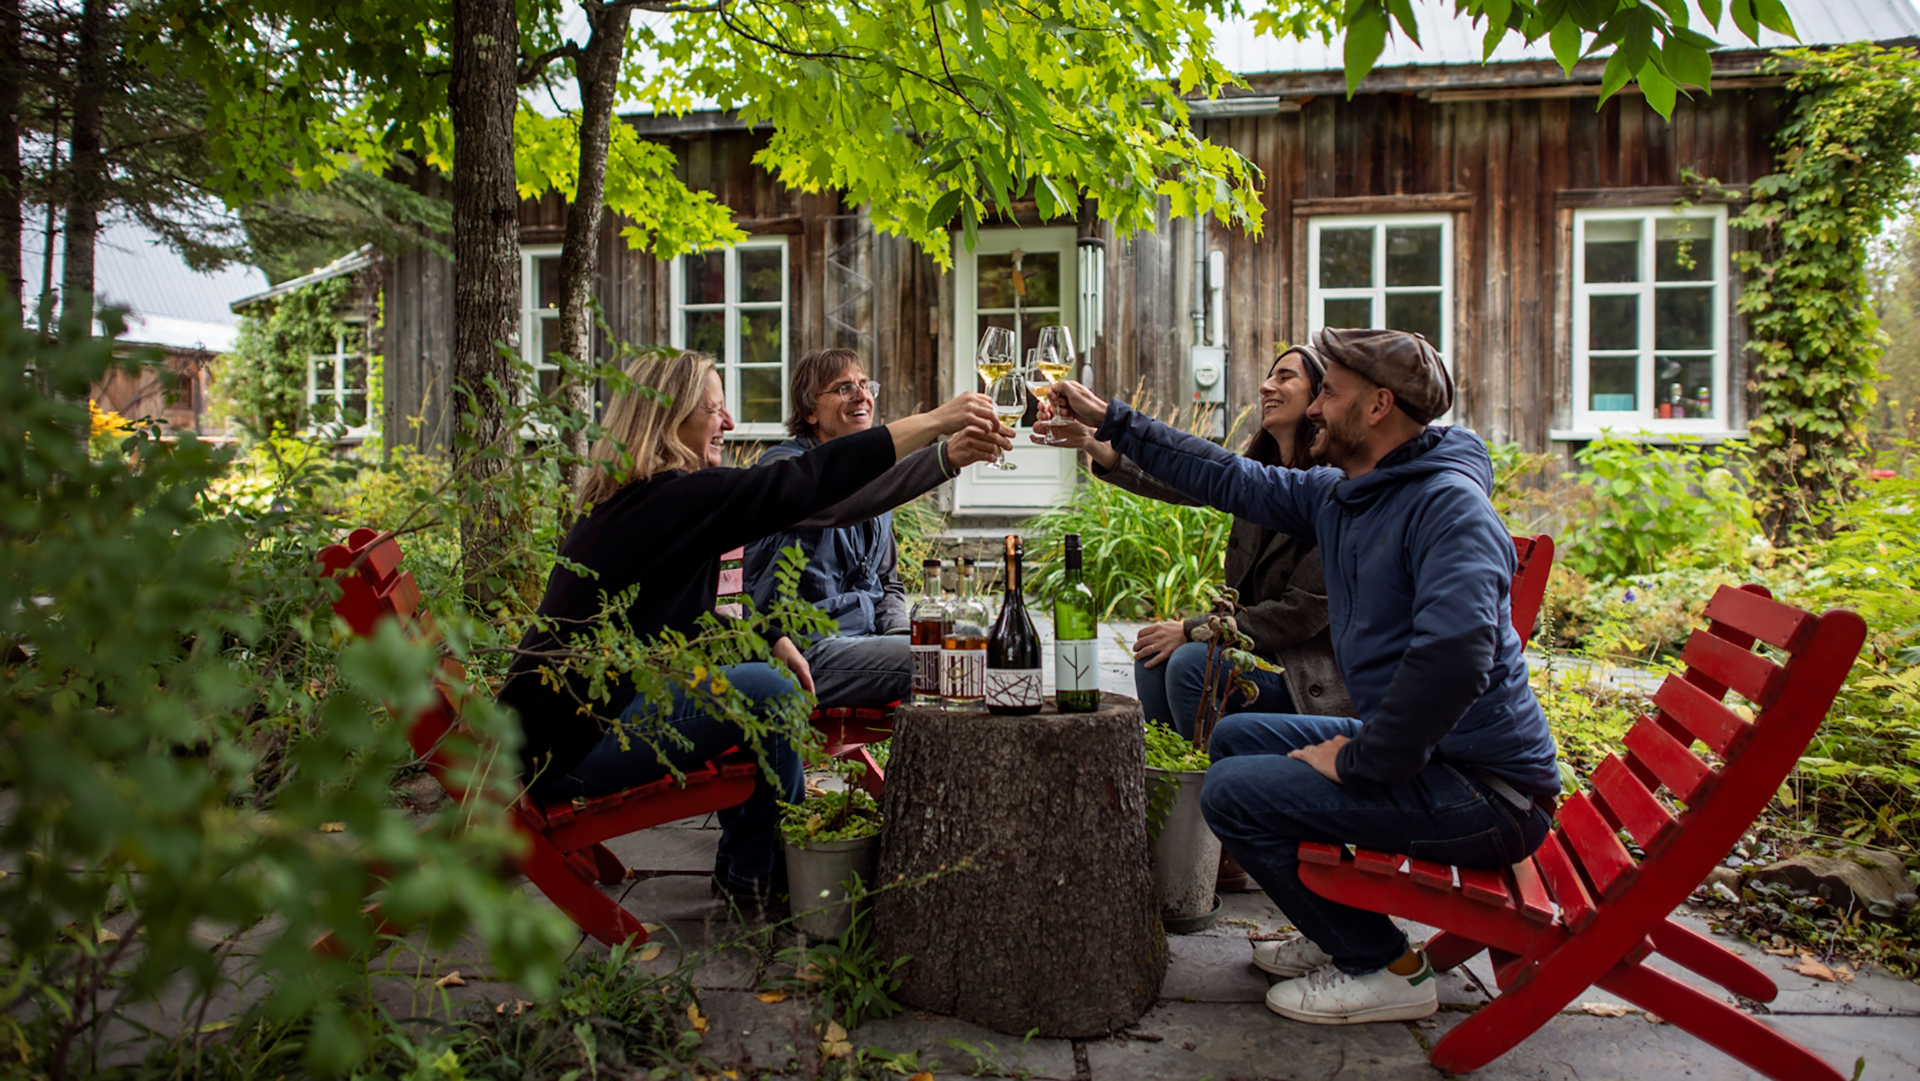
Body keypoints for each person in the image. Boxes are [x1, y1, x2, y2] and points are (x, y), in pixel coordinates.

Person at [1048, 328, 1559, 1026]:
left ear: (1379, 406)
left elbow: (1458, 653)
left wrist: (1360, 760)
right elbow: (1228, 476)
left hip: (1487, 791)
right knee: (1237, 739)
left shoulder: (1448, 507)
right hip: (1433, 757)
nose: (1315, 406)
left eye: (1330, 392)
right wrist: (1114, 420)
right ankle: (1336, 928)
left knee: (1233, 791)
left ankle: (1386, 964)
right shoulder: (1349, 493)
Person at [497, 351, 1005, 903]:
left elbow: (686, 618)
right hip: (569, 746)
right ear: (669, 419)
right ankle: (762, 873)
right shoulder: (669, 500)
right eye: (713, 409)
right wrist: (937, 421)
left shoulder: (647, 501)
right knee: (768, 694)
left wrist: (764, 638)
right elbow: (806, 482)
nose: (730, 423)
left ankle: (753, 871)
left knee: (765, 684)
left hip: (571, 729)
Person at [1046, 345, 1352, 738]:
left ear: (1319, 399)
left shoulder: (1336, 490)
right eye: (1268, 376)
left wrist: (1195, 629)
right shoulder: (1266, 473)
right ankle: (1163, 787)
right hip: (1256, 649)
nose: (1265, 386)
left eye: (1285, 377)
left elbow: (1302, 612)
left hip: (1305, 673)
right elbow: (1187, 482)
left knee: (1191, 662)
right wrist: (1091, 441)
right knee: (1153, 657)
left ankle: (1204, 783)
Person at [741, 348, 1001, 709]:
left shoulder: (873, 478)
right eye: (844, 388)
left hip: (862, 644)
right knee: (941, 660)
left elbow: (886, 583)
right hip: (802, 650)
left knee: (977, 643)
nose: (861, 396)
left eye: (865, 385)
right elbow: (838, 502)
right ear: (809, 412)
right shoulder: (785, 468)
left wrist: (900, 632)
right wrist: (944, 455)